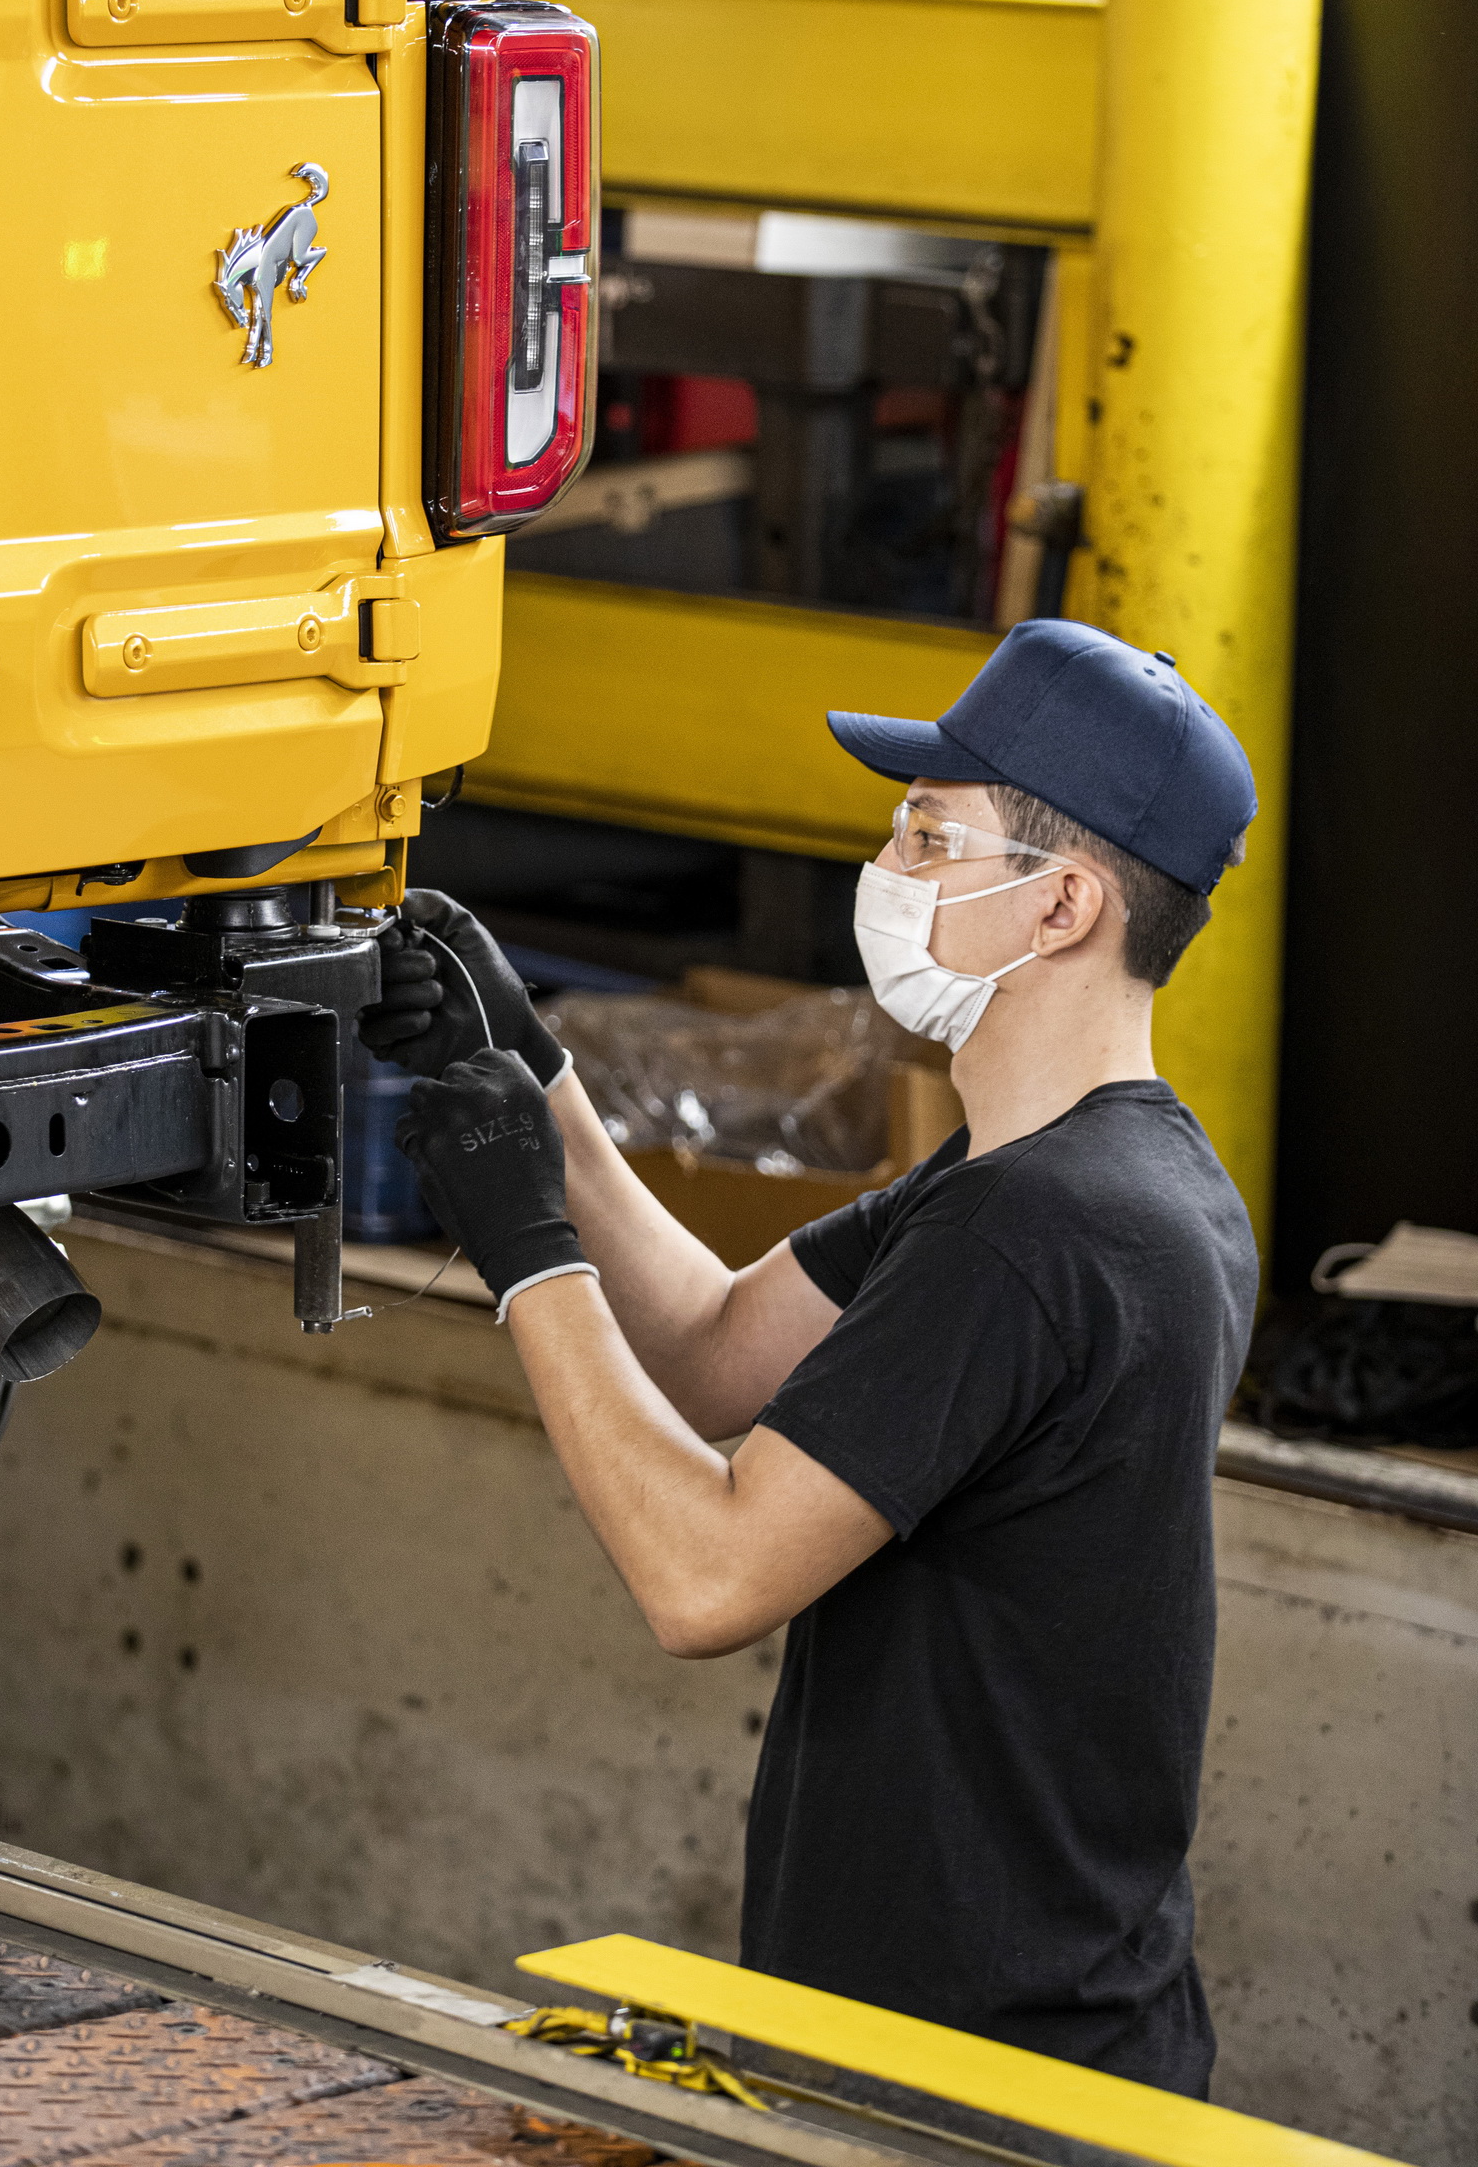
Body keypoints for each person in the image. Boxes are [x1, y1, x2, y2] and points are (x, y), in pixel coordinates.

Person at [359, 619, 1259, 2097]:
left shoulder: (1035, 1232)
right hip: (1010, 2031)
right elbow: (721, 1352)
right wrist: (541, 1079)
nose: (889, 871)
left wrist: (525, 1251)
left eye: (928, 836)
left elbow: (706, 1579)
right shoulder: (1101, 1178)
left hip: (967, 2078)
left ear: (1062, 907)